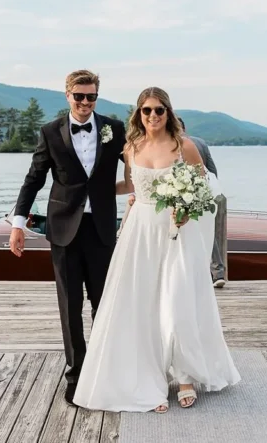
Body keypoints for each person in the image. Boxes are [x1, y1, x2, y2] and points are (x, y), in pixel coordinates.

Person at [73, 87, 240, 413]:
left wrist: (187, 210)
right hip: (141, 232)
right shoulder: (131, 148)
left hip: (178, 232)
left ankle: (187, 375)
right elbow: (131, 186)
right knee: (143, 304)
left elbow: (204, 190)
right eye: (146, 110)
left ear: (168, 112)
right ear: (139, 114)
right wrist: (94, 188)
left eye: (159, 110)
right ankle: (149, 376)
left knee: (177, 301)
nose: (152, 116)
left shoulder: (185, 147)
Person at [10, 69, 127, 404]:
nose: (86, 102)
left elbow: (138, 163)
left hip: (102, 228)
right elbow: (33, 179)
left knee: (104, 304)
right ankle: (76, 374)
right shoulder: (50, 132)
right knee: (70, 305)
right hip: (63, 230)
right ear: (68, 96)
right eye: (79, 96)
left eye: (91, 96)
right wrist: (18, 223)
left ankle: (106, 370)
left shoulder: (114, 129)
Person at [178, 117, 225, 288]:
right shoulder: (200, 142)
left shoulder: (175, 144)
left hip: (183, 195)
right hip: (204, 193)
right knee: (205, 232)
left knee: (191, 233)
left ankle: (194, 273)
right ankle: (217, 272)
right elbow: (212, 170)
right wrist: (211, 190)